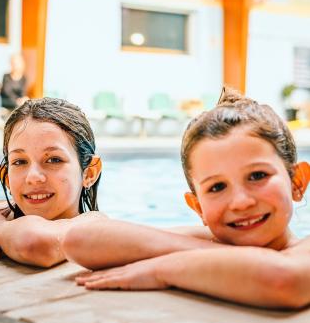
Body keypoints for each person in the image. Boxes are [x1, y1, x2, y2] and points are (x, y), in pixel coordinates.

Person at [69, 87, 310, 309]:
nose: (241, 202)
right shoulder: (210, 241)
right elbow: (80, 240)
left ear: (297, 182)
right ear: (198, 208)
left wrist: (163, 269)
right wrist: (219, 258)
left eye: (258, 175)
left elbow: (284, 281)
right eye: (216, 187)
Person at [0, 97, 226, 267]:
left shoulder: (93, 223)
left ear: (89, 173)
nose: (33, 176)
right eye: (19, 162)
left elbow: (34, 243)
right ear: (5, 175)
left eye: (54, 159)